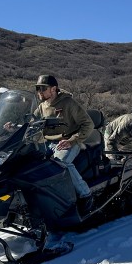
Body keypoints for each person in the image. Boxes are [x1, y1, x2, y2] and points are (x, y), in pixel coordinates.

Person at [33, 75, 94, 210]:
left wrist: (72, 140)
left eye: (43, 88)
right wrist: (14, 126)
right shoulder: (42, 106)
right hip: (47, 143)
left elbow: (88, 124)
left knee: (60, 162)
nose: (39, 92)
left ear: (53, 89)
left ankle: (85, 194)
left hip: (68, 141)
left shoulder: (68, 103)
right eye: (37, 89)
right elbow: (31, 122)